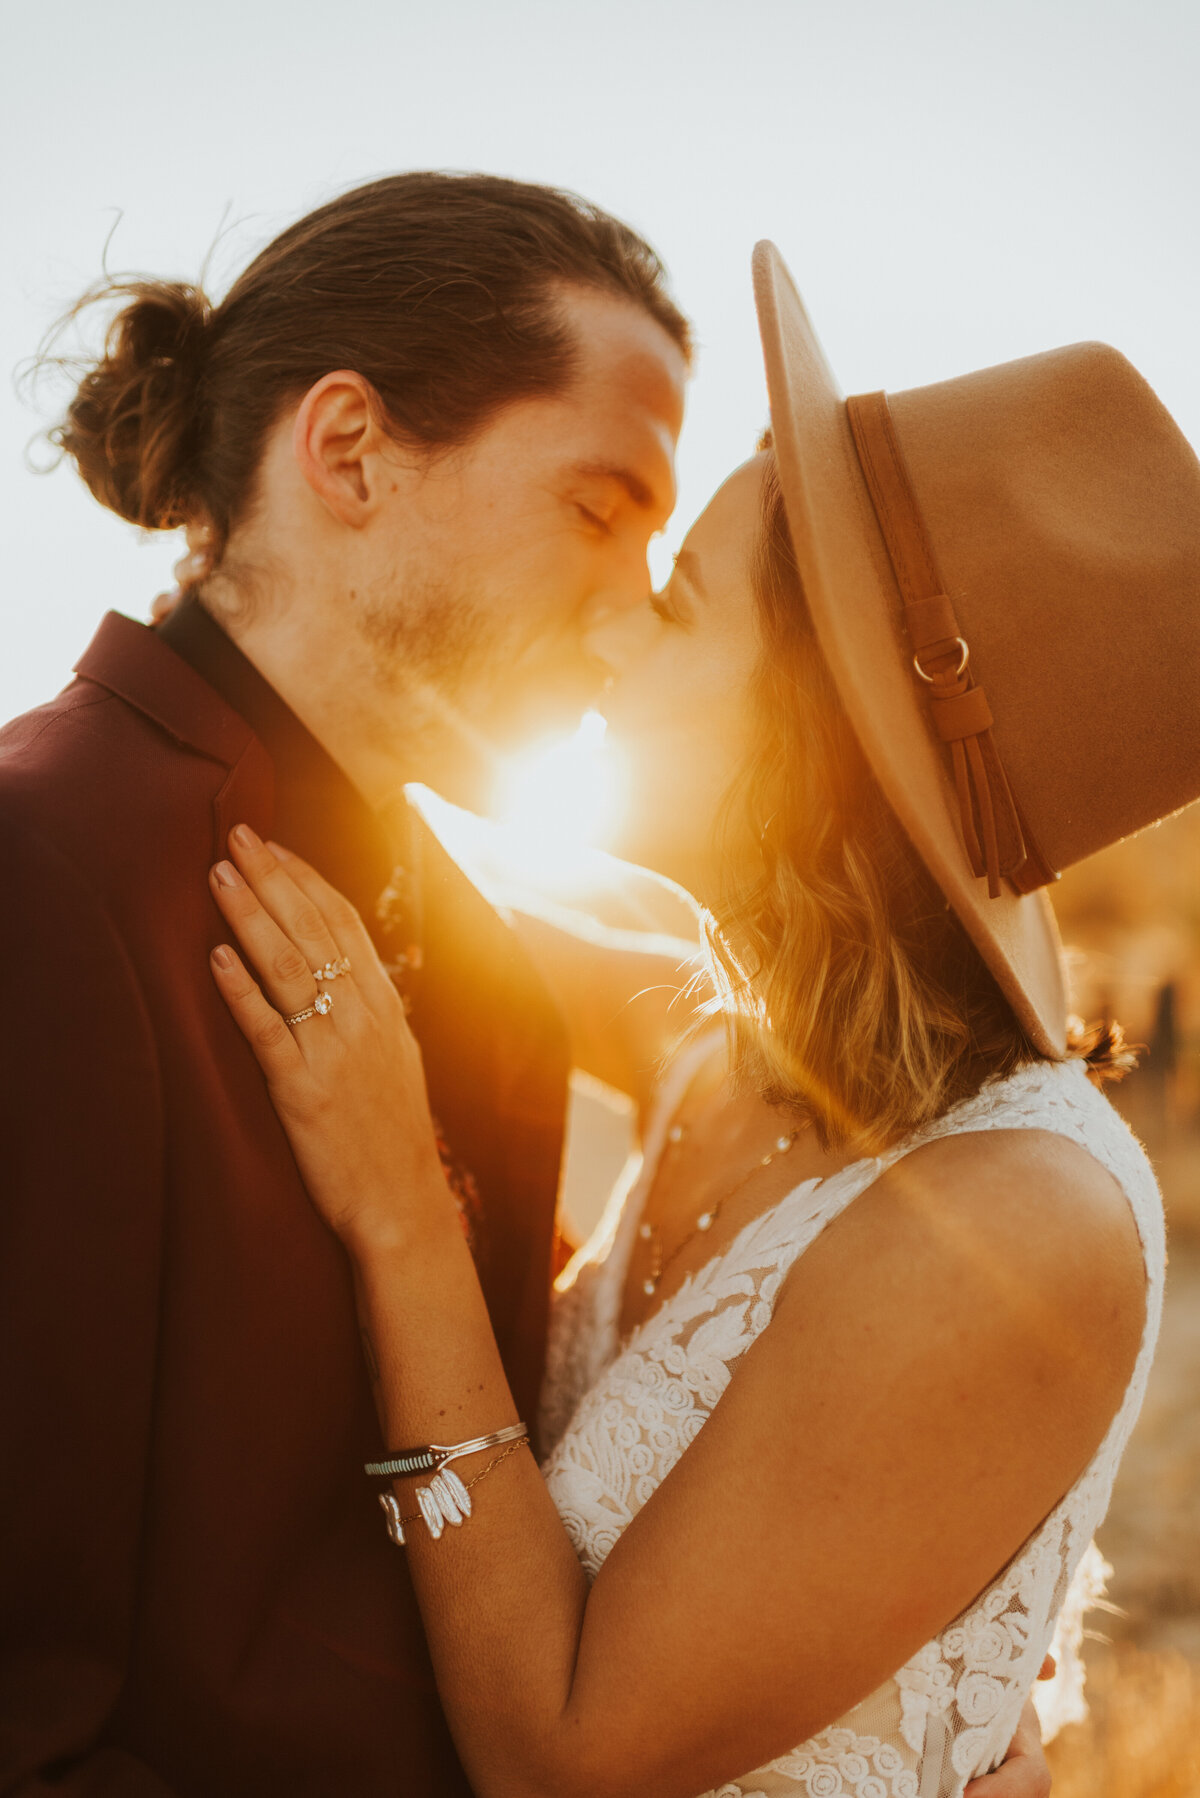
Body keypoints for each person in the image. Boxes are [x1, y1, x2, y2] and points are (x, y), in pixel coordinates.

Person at [0, 179, 1045, 1798]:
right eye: (596, 508)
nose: (636, 619)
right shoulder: (41, 872)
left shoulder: (478, 939)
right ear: (347, 452)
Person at [196, 243, 1200, 1798]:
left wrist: (402, 1206)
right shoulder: (732, 1039)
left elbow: (562, 1756)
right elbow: (417, 816)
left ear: (814, 740)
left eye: (669, 610)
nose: (603, 629)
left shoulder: (1017, 1221)